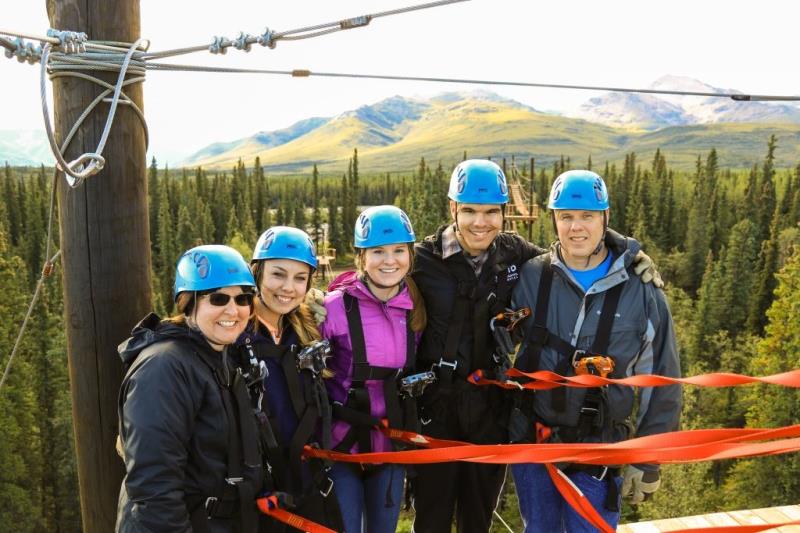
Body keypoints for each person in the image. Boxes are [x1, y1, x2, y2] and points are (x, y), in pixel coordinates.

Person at [410, 159, 661, 533]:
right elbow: (380, 273)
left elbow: (572, 247)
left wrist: (630, 254)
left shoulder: (514, 254)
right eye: (469, 211)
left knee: (477, 518)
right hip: (436, 407)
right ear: (452, 210)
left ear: (503, 212)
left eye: (491, 211)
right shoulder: (421, 259)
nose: (481, 222)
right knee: (431, 517)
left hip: (488, 410)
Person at [509, 169, 681, 532]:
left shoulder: (642, 290)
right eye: (566, 217)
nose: (576, 228)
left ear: (605, 219)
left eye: (587, 216)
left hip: (599, 450)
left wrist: (647, 459)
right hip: (534, 444)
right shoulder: (530, 276)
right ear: (554, 219)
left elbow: (663, 379)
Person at [116, 244, 263, 532]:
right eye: (218, 298)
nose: (233, 310)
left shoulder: (216, 354)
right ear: (189, 303)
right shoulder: (163, 369)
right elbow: (155, 488)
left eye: (244, 298)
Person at [320, 205, 427, 533]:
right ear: (361, 257)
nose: (389, 260)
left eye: (398, 250)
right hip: (341, 446)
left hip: (390, 444)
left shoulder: (415, 309)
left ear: (410, 254)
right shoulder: (334, 308)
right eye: (378, 251)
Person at [234, 226, 343, 532]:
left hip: (308, 482)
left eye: (300, 278)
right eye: (278, 275)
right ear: (257, 274)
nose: (288, 288)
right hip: (261, 491)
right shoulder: (235, 336)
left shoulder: (304, 330)